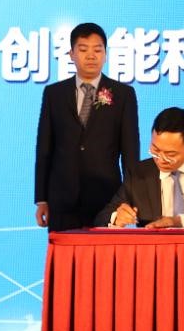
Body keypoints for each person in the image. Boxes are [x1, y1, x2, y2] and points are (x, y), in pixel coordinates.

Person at [34, 22, 140, 231]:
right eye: (83, 50)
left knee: (104, 253)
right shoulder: (54, 94)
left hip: (107, 199)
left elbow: (130, 151)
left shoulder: (123, 94)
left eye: (97, 50)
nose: (91, 56)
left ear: (105, 55)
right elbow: (44, 148)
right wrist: (42, 199)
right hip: (62, 199)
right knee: (64, 252)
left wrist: (130, 197)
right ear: (71, 54)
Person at [95, 107, 184, 228]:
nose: (161, 159)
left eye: (170, 154)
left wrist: (180, 221)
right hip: (154, 249)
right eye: (155, 149)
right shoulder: (139, 173)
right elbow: (101, 218)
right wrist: (116, 217)